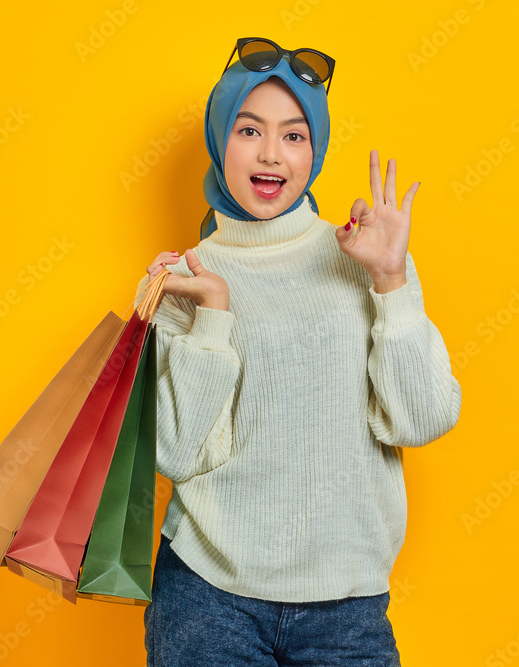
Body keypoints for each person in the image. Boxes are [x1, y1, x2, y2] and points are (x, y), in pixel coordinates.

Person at [132, 37, 462, 667]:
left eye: (292, 136)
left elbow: (423, 419)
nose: (269, 155)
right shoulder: (184, 277)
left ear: (314, 151)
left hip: (348, 609)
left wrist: (393, 282)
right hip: (207, 599)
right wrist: (212, 317)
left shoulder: (364, 256)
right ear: (219, 138)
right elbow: (174, 454)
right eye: (249, 129)